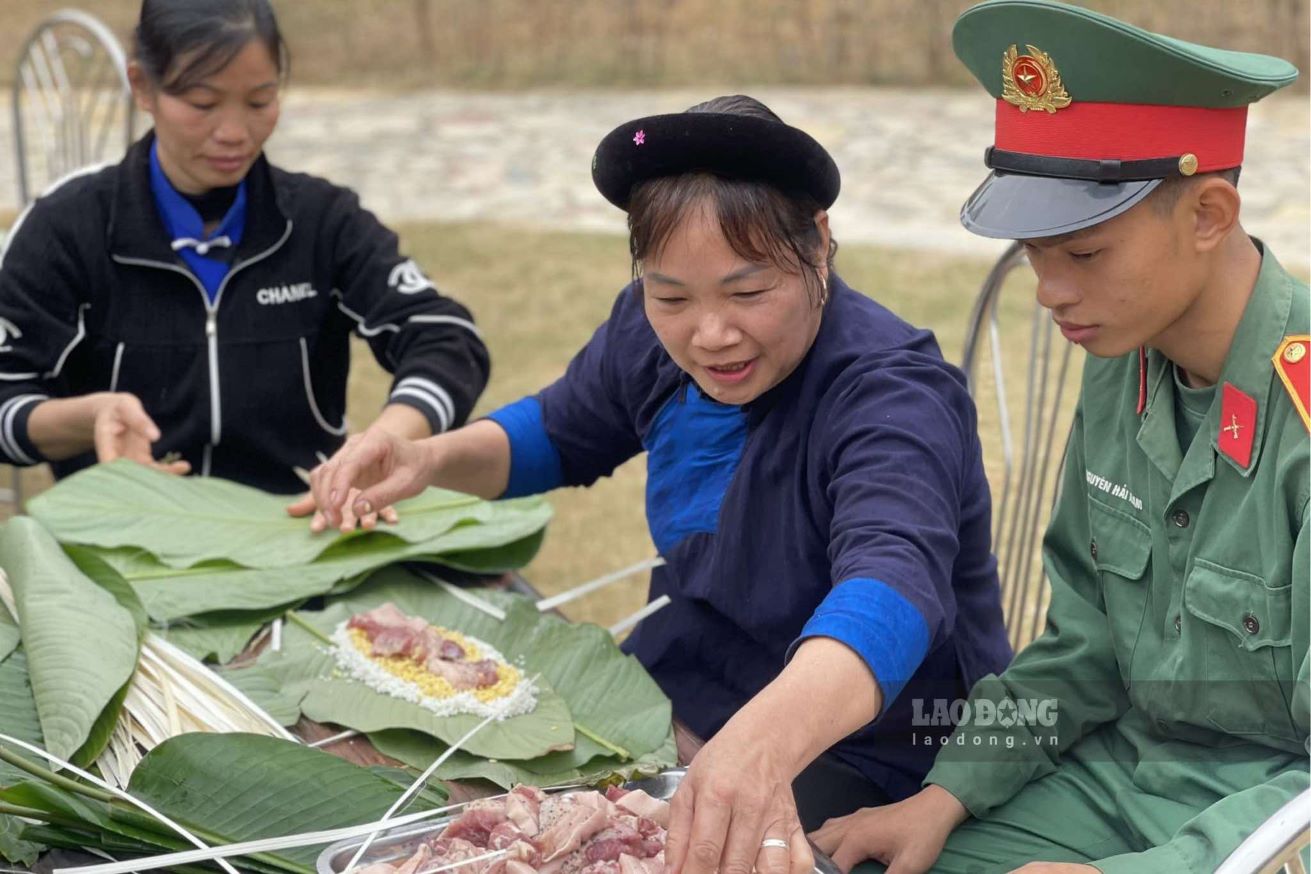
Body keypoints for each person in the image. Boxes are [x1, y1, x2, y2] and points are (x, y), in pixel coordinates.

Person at [304, 95, 1012, 873]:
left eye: (746, 293)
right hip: (678, 695)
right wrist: (428, 461)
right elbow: (557, 432)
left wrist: (757, 746)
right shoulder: (648, 336)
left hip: (870, 755)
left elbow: (890, 589)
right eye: (671, 295)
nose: (709, 334)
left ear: (820, 245)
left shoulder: (889, 393)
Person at [811, 2, 1308, 872]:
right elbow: (1082, 649)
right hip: (1116, 779)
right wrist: (944, 794)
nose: (1047, 292)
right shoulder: (1125, 358)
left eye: (1081, 255)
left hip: (1271, 821)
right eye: (1033, 253)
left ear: (1207, 215)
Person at [0, 0, 489, 512]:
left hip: (305, 530)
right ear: (143, 86)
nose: (234, 133)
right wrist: (88, 418)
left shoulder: (323, 221)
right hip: (121, 546)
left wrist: (386, 441)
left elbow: (446, 338)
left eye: (259, 102)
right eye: (203, 103)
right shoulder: (67, 228)